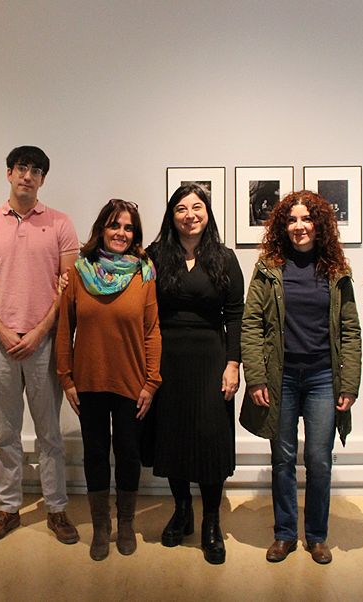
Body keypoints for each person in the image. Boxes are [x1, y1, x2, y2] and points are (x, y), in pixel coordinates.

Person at [240, 190, 361, 566]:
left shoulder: (336, 271)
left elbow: (351, 330)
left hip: (324, 376)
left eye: (306, 219)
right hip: (282, 377)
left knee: (320, 459)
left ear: (319, 224)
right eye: (291, 220)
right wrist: (256, 377)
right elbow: (251, 324)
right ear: (282, 225)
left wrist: (349, 384)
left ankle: (318, 536)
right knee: (283, 458)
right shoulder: (268, 269)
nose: (299, 226)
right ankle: (285, 533)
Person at [0, 146, 80, 544]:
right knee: (6, 432)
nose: (27, 176)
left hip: (45, 342)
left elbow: (68, 290)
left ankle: (57, 508)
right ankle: (8, 507)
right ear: (9, 173)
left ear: (43, 179)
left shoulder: (61, 224)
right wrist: (0, 329)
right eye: (20, 168)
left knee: (50, 432)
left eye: (35, 170)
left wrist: (38, 332)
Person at [56, 199, 161, 561]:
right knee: (96, 453)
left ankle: (127, 522)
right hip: (89, 381)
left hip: (132, 382)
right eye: (115, 225)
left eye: (128, 227)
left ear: (136, 234)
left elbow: (152, 331)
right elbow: (64, 328)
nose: (121, 233)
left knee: (129, 453)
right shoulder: (79, 272)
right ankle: (101, 525)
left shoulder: (144, 272)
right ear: (102, 228)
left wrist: (152, 382)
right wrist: (66, 378)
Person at [148, 183, 244, 565]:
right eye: (181, 208)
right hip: (167, 357)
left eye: (197, 207)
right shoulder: (155, 255)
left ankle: (210, 522)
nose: (190, 214)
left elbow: (235, 314)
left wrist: (233, 364)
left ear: (208, 213)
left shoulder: (224, 257)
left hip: (211, 357)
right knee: (171, 433)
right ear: (171, 216)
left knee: (209, 438)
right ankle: (182, 510)